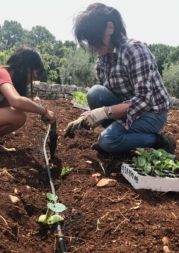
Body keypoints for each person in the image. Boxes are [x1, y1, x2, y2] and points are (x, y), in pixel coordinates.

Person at [64, 3, 176, 154]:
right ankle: (119, 140)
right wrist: (85, 117)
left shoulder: (134, 51)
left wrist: (103, 113)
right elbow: (104, 98)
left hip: (152, 113)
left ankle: (159, 141)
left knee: (107, 140)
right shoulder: (102, 60)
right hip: (128, 110)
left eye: (94, 38)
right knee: (95, 93)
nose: (92, 45)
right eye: (89, 41)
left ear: (110, 28)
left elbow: (144, 100)